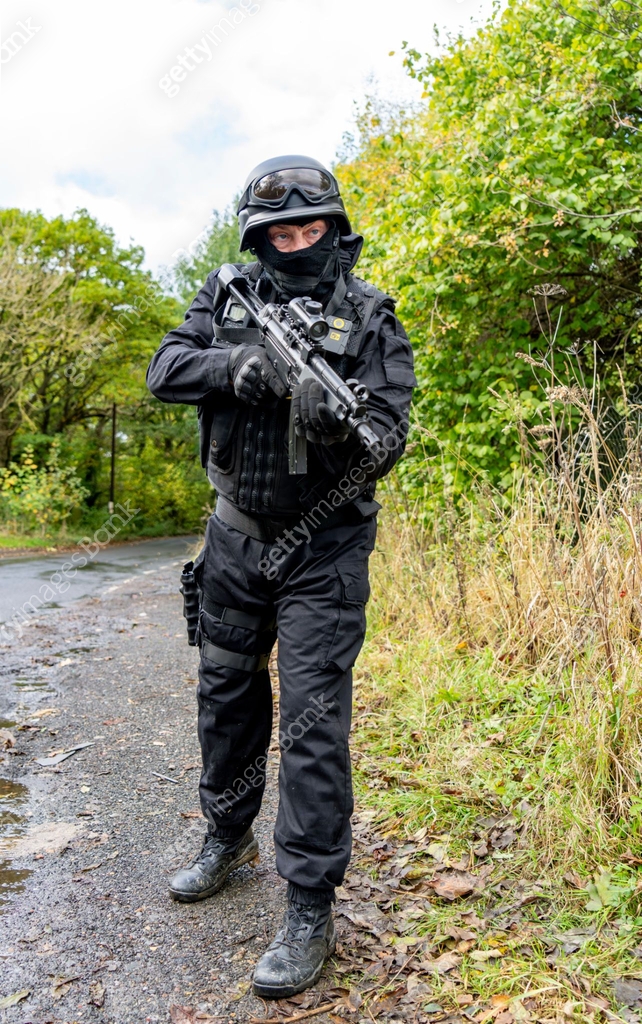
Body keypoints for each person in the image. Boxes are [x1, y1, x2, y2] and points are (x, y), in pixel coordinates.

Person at [146, 155, 416, 998]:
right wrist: (237, 369)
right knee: (225, 700)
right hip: (234, 540)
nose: (296, 243)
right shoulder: (225, 296)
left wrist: (339, 426)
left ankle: (307, 905)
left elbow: (390, 437)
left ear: (334, 230)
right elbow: (164, 369)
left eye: (311, 229)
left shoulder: (369, 316)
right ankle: (228, 837)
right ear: (257, 238)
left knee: (310, 726)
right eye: (279, 233)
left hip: (324, 549)